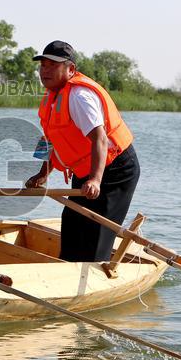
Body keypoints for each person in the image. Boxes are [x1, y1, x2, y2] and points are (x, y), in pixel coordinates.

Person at [24, 40, 139, 261]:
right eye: (43, 65)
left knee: (96, 230)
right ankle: (67, 271)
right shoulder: (51, 97)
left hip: (114, 169)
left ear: (71, 70)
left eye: (53, 65)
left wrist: (96, 180)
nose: (45, 70)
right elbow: (51, 139)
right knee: (72, 224)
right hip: (85, 170)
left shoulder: (79, 97)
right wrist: (42, 175)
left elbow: (100, 138)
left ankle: (94, 274)